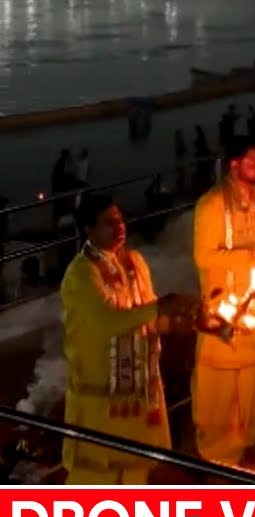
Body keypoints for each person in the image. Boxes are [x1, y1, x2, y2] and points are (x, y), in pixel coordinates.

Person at [60, 195, 193, 484]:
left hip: (138, 394)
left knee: (136, 470)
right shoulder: (80, 274)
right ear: (88, 229)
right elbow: (107, 321)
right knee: (96, 476)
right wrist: (160, 308)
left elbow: (147, 317)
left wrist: (178, 322)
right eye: (109, 223)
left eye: (120, 220)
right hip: (101, 401)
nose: (119, 227)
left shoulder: (135, 262)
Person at [191, 136, 255, 468]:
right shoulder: (212, 204)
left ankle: (244, 445)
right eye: (253, 163)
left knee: (254, 386)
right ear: (233, 164)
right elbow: (204, 257)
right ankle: (215, 457)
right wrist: (252, 257)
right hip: (226, 313)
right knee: (221, 392)